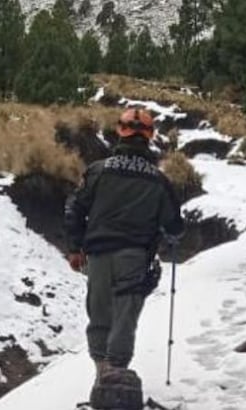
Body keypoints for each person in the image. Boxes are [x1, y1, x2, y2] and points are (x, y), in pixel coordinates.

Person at [63, 107, 184, 381]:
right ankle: (116, 371)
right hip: (134, 257)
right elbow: (175, 225)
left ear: (120, 131)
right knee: (124, 316)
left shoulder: (97, 171)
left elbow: (74, 209)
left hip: (96, 255)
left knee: (100, 314)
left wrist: (73, 248)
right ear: (150, 136)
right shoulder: (158, 180)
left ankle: (100, 370)